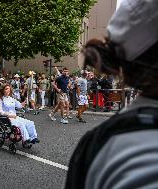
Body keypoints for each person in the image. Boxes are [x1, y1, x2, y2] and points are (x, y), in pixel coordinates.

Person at [65, 0, 158, 188]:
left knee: (82, 106)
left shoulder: (100, 143)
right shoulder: (137, 153)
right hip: (81, 94)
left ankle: (76, 114)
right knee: (74, 105)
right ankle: (72, 114)